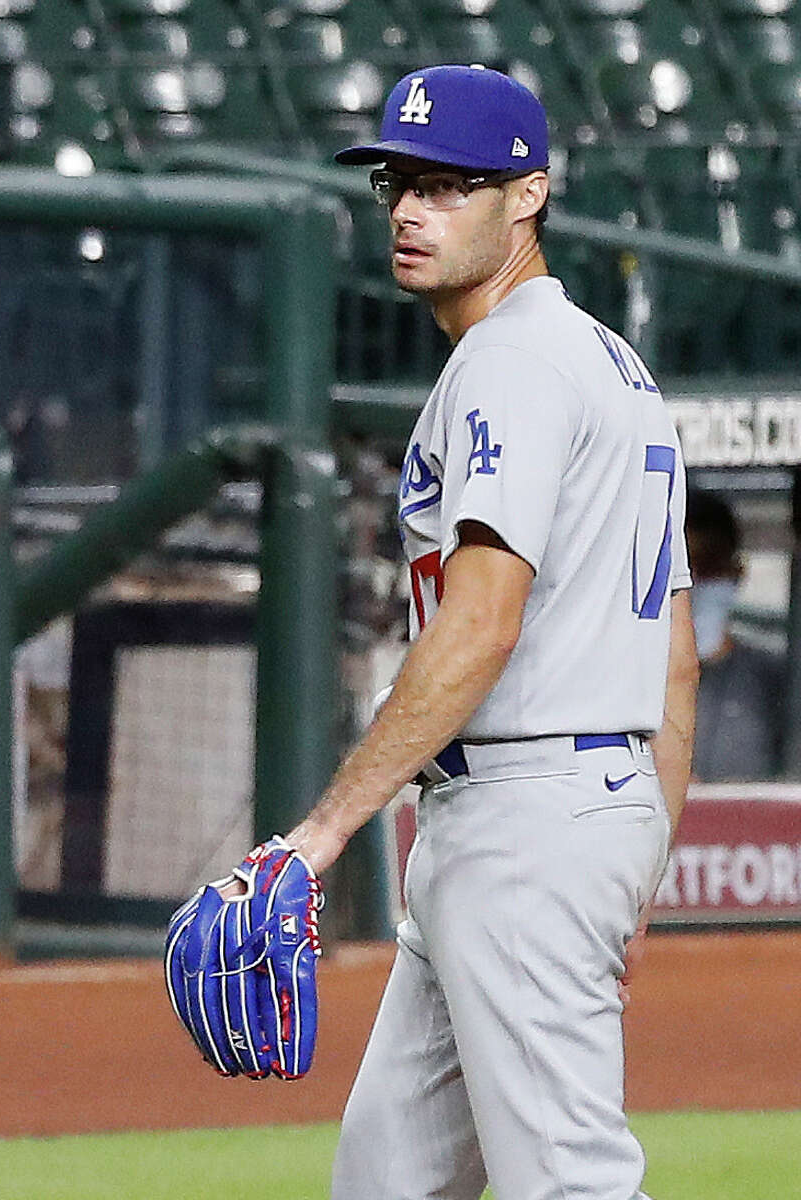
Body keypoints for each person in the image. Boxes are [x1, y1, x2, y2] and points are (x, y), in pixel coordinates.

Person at [263, 66, 695, 1200]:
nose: (411, 209)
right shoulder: (615, 367)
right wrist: (638, 865)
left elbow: (484, 618)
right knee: (387, 1182)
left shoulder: (509, 363)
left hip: (527, 823)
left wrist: (321, 833)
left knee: (571, 1186)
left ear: (529, 197)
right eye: (398, 183)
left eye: (452, 185)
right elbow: (675, 653)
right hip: (550, 819)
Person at [685, 488, 785, 780]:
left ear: (737, 571)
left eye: (709, 568)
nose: (693, 584)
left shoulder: (774, 681)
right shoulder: (631, 680)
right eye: (682, 572)